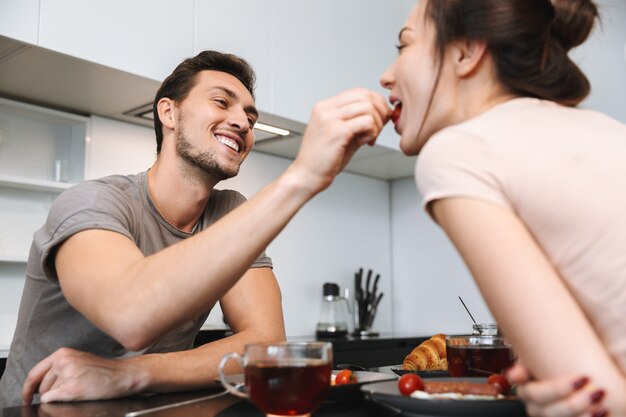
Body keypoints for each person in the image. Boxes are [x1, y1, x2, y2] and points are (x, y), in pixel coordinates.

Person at [0, 50, 390, 407]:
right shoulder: (94, 201)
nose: (242, 122)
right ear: (168, 113)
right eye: (222, 102)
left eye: (251, 118)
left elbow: (266, 343)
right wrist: (302, 176)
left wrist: (128, 375)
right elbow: (130, 313)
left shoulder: (228, 212)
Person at [379, 0, 626, 416]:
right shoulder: (608, 130)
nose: (387, 74)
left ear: (465, 52)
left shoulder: (459, 151)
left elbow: (597, 400)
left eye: (404, 46)